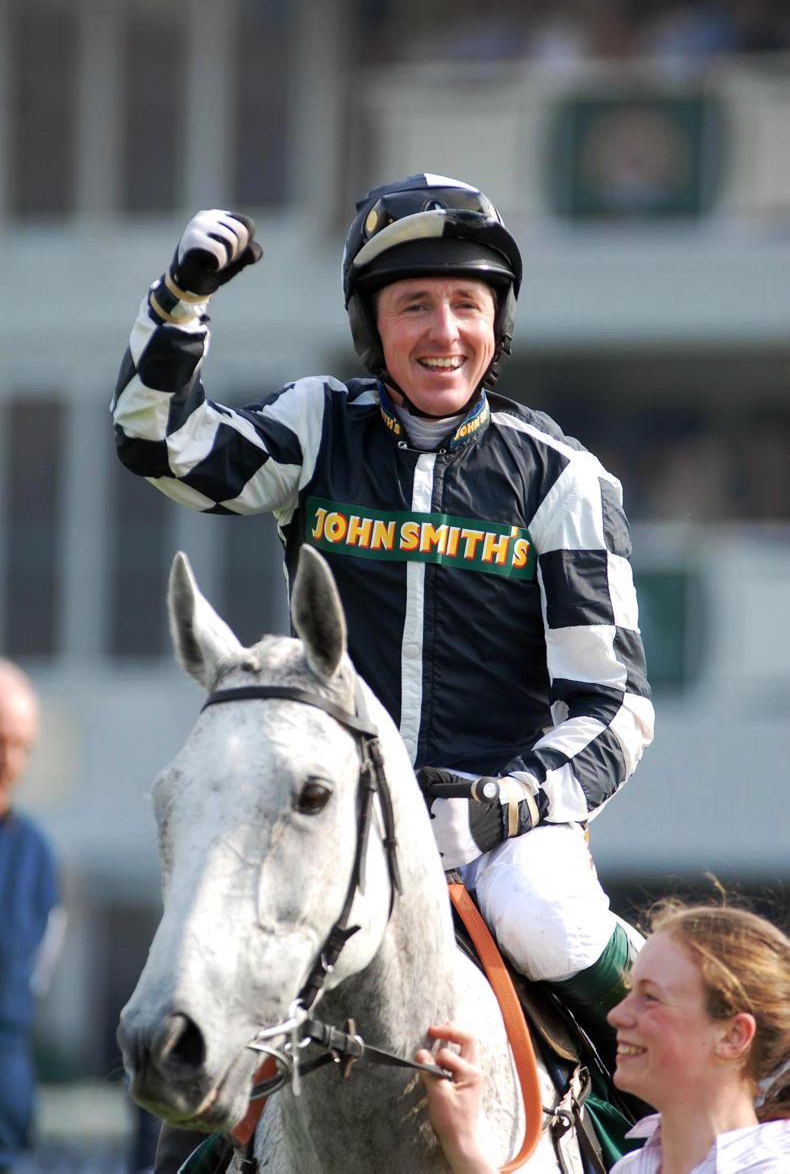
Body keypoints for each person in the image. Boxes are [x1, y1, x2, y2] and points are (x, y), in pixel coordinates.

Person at [112, 175, 653, 1159]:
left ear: (497, 323)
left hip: (495, 828)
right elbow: (158, 442)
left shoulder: (561, 476)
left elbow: (613, 705)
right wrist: (179, 302)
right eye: (415, 305)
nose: (444, 331)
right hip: (333, 816)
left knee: (548, 918)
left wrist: (509, 804)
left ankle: (685, 1103)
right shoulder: (319, 424)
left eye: (466, 305)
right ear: (372, 326)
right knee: (218, 951)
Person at [417, 903, 790, 1173]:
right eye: (630, 993)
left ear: (733, 1036)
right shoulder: (634, 1165)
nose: (616, 1015)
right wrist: (464, 1140)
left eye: (650, 997)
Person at [0, 660, 63, 1173]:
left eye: (22, 746)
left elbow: (39, 970)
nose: (9, 760)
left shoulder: (35, 855)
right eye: (0, 741)